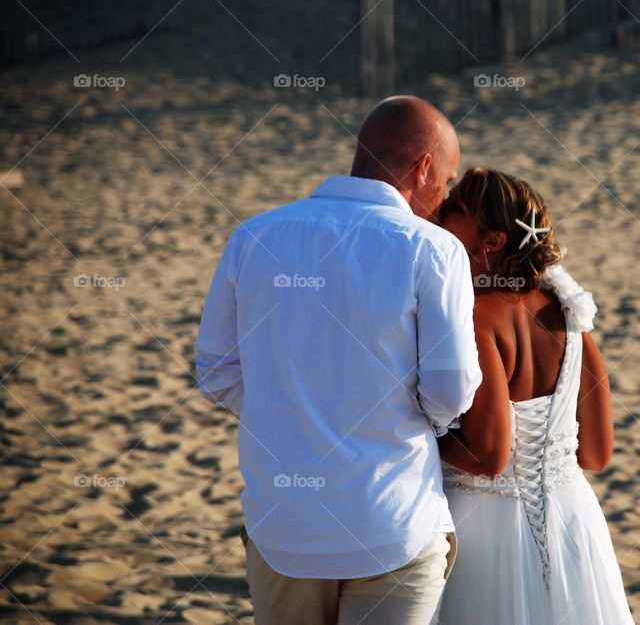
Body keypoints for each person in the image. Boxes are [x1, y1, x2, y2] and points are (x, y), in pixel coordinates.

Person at [195, 96, 482, 625]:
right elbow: (451, 389)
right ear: (422, 170)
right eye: (446, 180)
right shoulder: (434, 250)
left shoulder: (255, 236)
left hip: (284, 528)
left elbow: (215, 373)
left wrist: (287, 413)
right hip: (392, 523)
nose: (445, 197)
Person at [437, 167, 634, 624]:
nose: (443, 211)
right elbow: (598, 454)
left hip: (487, 534)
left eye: (458, 209)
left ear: (493, 240)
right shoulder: (569, 316)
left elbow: (489, 456)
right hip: (573, 521)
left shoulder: (476, 316)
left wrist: (411, 433)